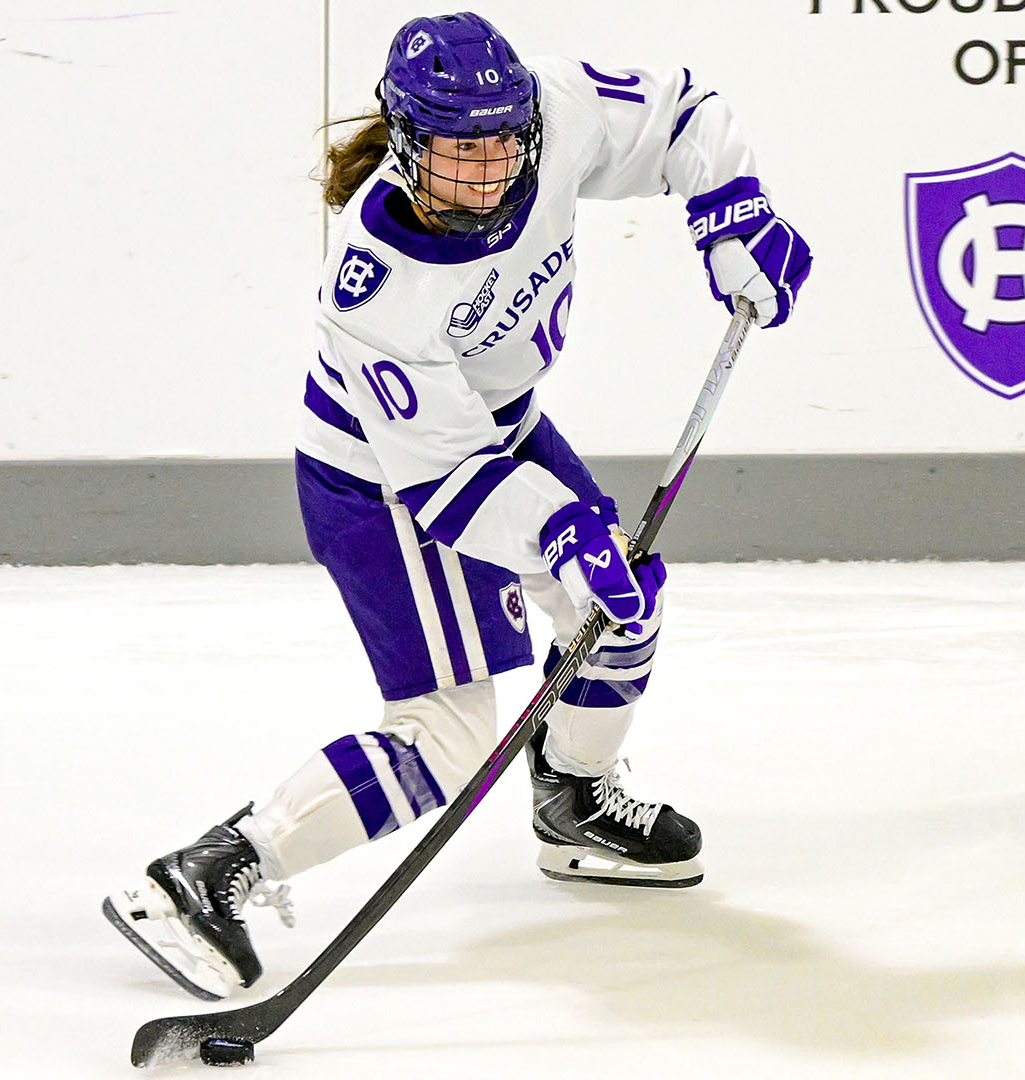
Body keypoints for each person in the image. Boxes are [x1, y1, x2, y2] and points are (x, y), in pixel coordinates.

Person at [105, 10, 811, 1000]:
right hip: (384, 483)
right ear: (404, 142)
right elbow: (443, 477)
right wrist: (563, 533)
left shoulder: (556, 109)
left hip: (501, 431)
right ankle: (206, 877)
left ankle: (573, 800)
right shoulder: (374, 285)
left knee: (619, 616)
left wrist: (732, 211)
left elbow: (685, 112)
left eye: (500, 150)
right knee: (447, 736)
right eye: (456, 155)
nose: (485, 177)